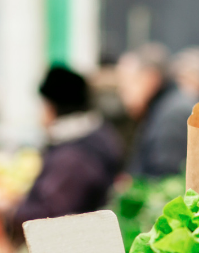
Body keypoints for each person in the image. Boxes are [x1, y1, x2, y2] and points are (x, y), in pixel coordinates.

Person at [10, 67, 123, 238]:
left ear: (52, 107)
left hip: (72, 244)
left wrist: (9, 213)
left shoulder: (72, 157)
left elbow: (45, 218)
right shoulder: (95, 136)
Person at [116, 43, 199, 178]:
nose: (122, 95)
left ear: (150, 78)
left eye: (126, 85)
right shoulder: (164, 107)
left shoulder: (172, 116)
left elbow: (165, 178)